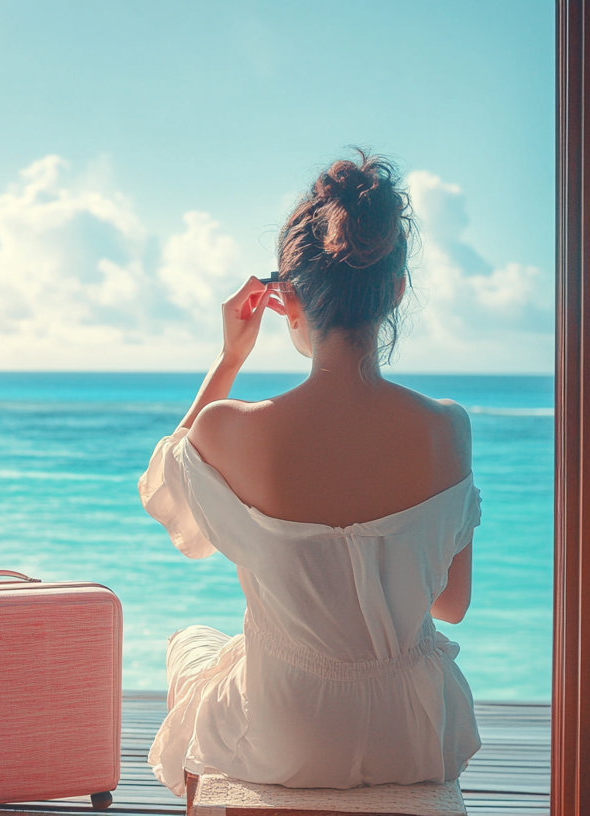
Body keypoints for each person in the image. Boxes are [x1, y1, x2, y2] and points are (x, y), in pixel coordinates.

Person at [138, 150, 481, 796]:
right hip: (412, 733)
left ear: (287, 296)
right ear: (397, 290)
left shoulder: (228, 428)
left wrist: (228, 358)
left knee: (191, 644)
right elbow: (452, 605)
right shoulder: (447, 428)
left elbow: (163, 492)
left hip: (286, 734)